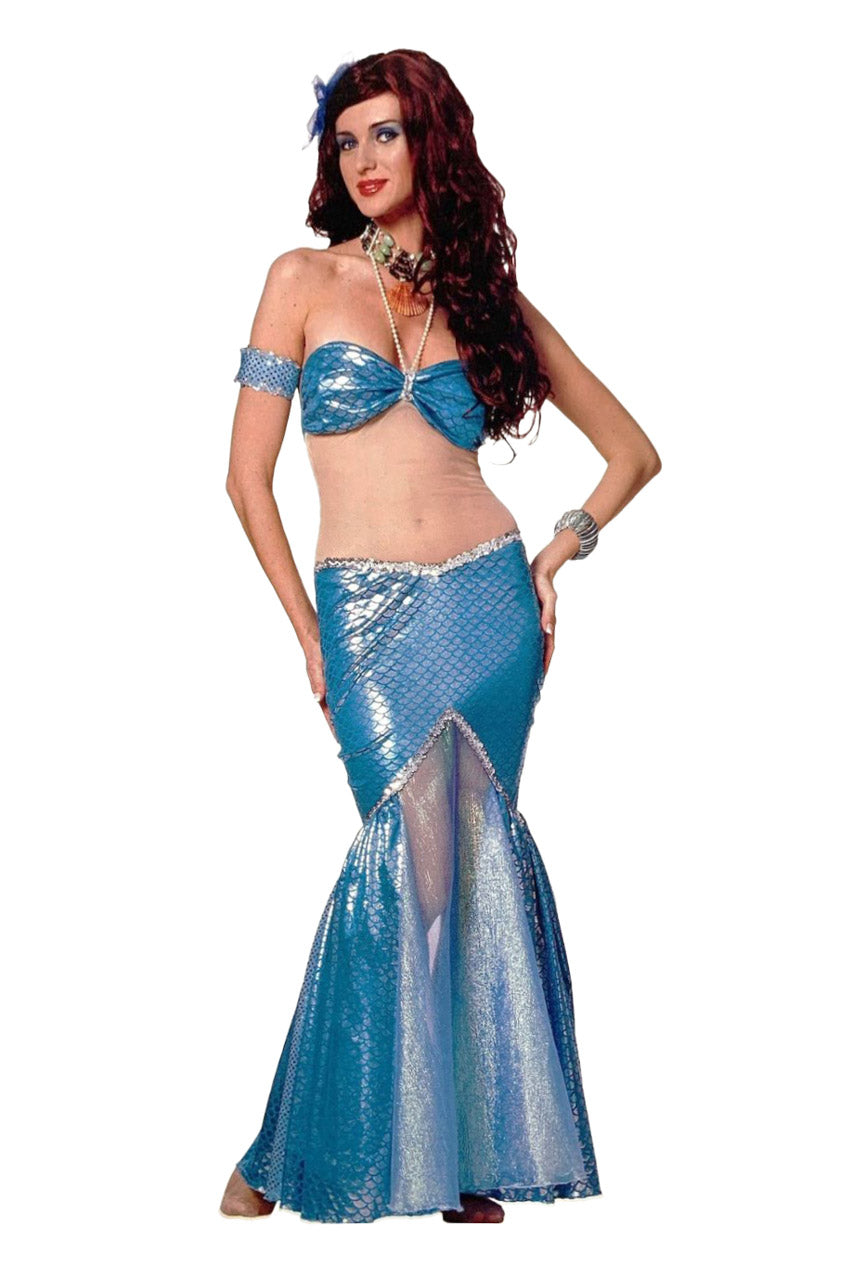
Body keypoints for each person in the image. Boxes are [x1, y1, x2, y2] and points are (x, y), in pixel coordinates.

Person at [220, 49, 661, 1226]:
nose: (363, 159)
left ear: (433, 144)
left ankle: (462, 1160)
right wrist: (308, 631)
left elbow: (633, 452)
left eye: (386, 134)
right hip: (362, 613)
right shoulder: (301, 280)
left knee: (466, 876)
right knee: (401, 868)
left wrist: (554, 556)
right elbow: (245, 481)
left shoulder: (481, 296)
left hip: (487, 608)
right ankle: (277, 1151)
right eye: (346, 140)